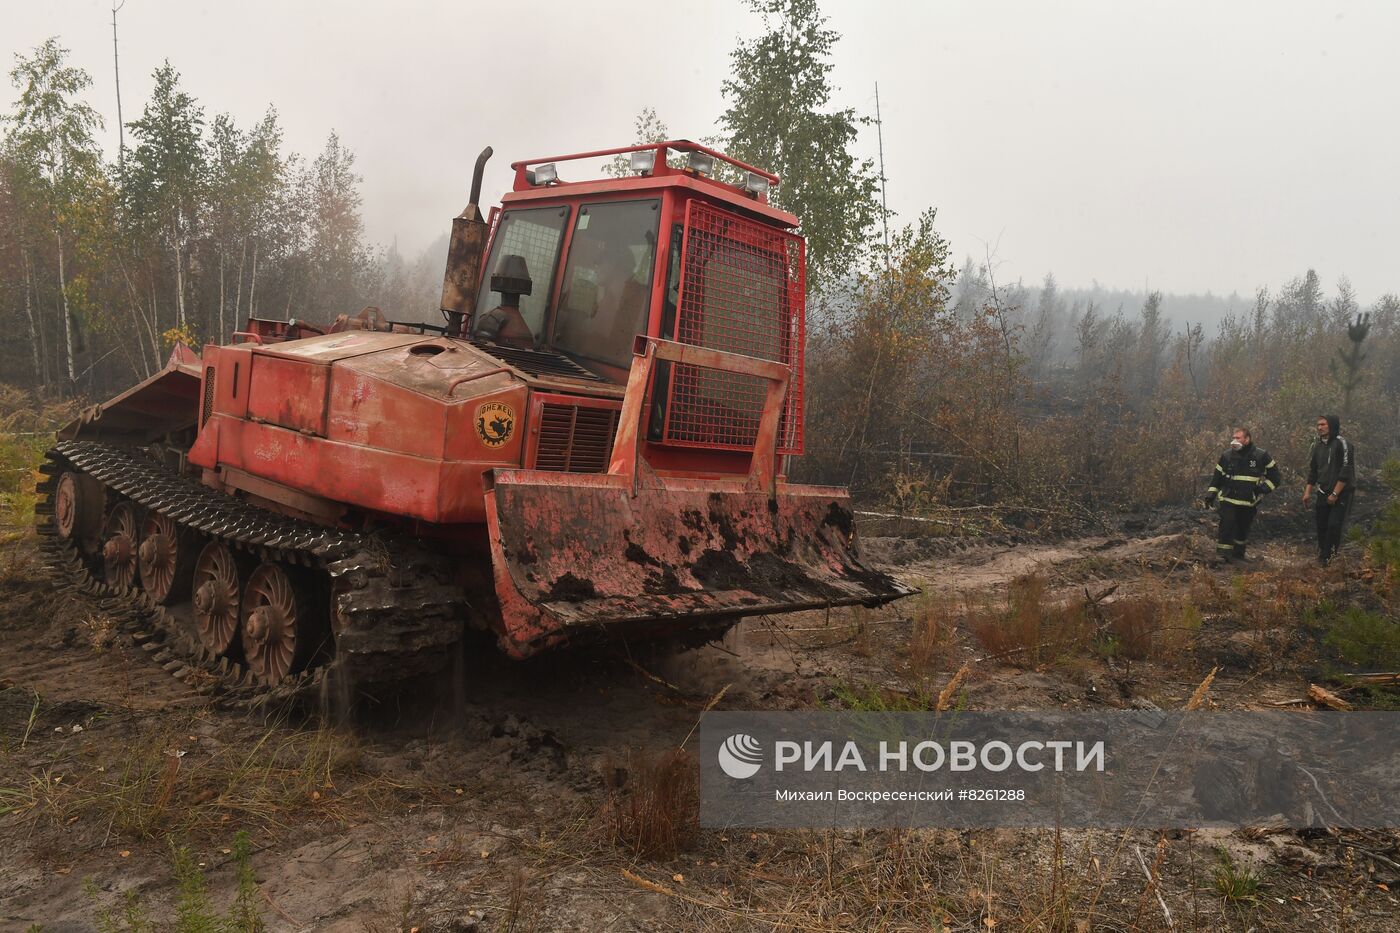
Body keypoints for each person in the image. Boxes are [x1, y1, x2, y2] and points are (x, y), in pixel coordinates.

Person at [1204, 427, 1282, 564]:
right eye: (1233, 438)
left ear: (1247, 439)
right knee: (1227, 524)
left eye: (1238, 438)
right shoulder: (1226, 456)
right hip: (1228, 499)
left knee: (1243, 528)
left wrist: (1262, 489)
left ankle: (1238, 555)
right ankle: (1222, 555)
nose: (1234, 441)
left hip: (1248, 502)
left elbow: (1275, 477)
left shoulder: (1261, 456)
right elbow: (1217, 478)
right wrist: (1211, 494)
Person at [1302, 414, 1356, 565]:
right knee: (1321, 525)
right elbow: (1313, 470)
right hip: (1322, 491)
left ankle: (1327, 558)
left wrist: (1335, 494)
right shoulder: (1318, 446)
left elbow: (1346, 470)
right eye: (1318, 425)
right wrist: (1307, 492)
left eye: (1323, 424)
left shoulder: (1343, 444)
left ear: (1332, 425)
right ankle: (1322, 554)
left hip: (1342, 492)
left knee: (1334, 525)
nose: (1320, 427)